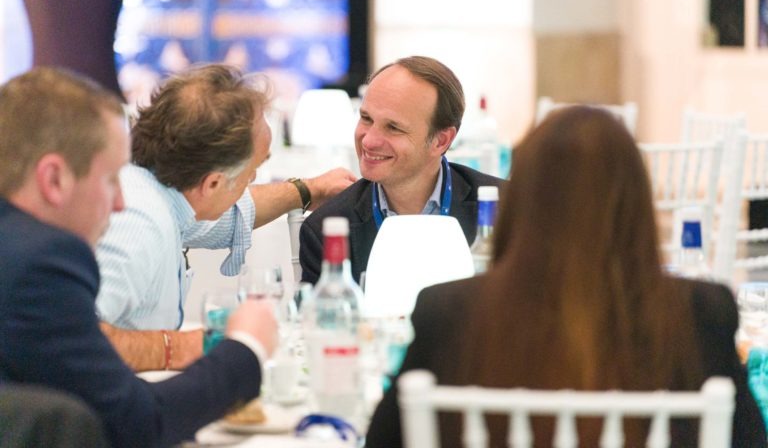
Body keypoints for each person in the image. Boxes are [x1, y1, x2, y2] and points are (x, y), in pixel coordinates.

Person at [365, 106, 766, 447]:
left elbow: (384, 440)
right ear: (637, 204)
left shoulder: (448, 310)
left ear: (520, 200)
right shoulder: (700, 312)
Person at [0, 67, 278, 448]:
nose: (119, 203)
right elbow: (137, 424)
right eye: (111, 179)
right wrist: (246, 349)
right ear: (53, 180)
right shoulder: (40, 265)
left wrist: (306, 191)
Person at [94, 64, 356, 371]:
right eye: (251, 172)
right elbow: (69, 339)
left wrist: (308, 189)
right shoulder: (138, 224)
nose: (253, 179)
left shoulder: (162, 195)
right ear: (214, 183)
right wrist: (193, 346)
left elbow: (230, 214)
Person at [299, 56, 505, 284]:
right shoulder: (326, 229)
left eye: (393, 128)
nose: (369, 141)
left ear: (441, 141)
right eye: (366, 118)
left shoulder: (507, 210)